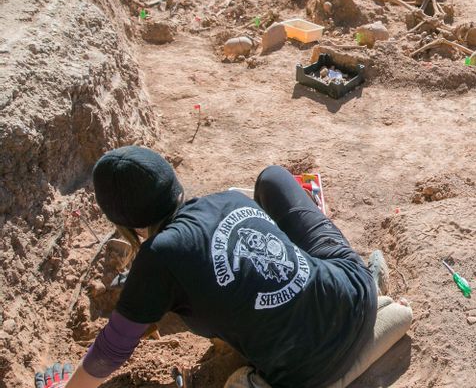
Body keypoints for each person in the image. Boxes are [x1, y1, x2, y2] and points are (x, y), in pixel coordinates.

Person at [59, 146, 411, 388]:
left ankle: (374, 326)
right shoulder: (227, 198)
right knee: (273, 178)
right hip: (353, 290)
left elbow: (109, 351)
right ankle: (376, 295)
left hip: (306, 372)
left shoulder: (158, 257)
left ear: (126, 222)